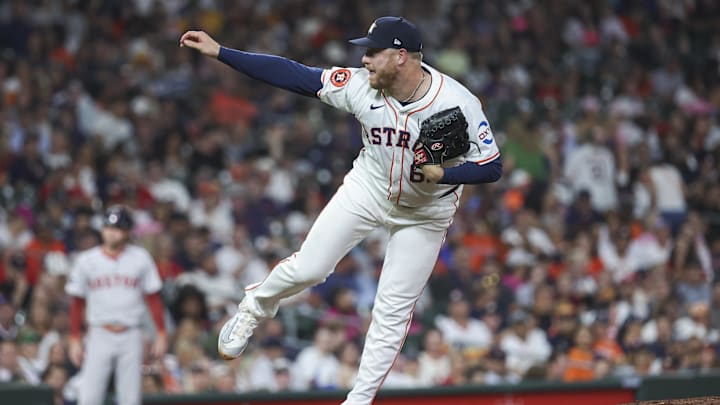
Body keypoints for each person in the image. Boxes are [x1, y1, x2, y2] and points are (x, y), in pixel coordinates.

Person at [180, 15, 502, 404]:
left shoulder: (457, 102)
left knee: (392, 311)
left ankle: (359, 400)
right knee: (310, 268)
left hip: (426, 211)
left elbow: (492, 166)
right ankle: (253, 307)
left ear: (400, 57)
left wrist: (450, 173)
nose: (364, 60)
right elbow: (295, 75)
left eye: (372, 53)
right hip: (369, 188)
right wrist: (222, 52)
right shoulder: (359, 86)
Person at [65, 205, 167, 405]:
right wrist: (75, 337)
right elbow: (77, 302)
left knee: (130, 398)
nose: (112, 233)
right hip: (99, 333)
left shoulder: (140, 258)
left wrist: (161, 333)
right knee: (89, 397)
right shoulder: (87, 260)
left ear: (128, 232)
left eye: (118, 229)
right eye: (108, 228)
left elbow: (153, 299)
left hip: (131, 333)